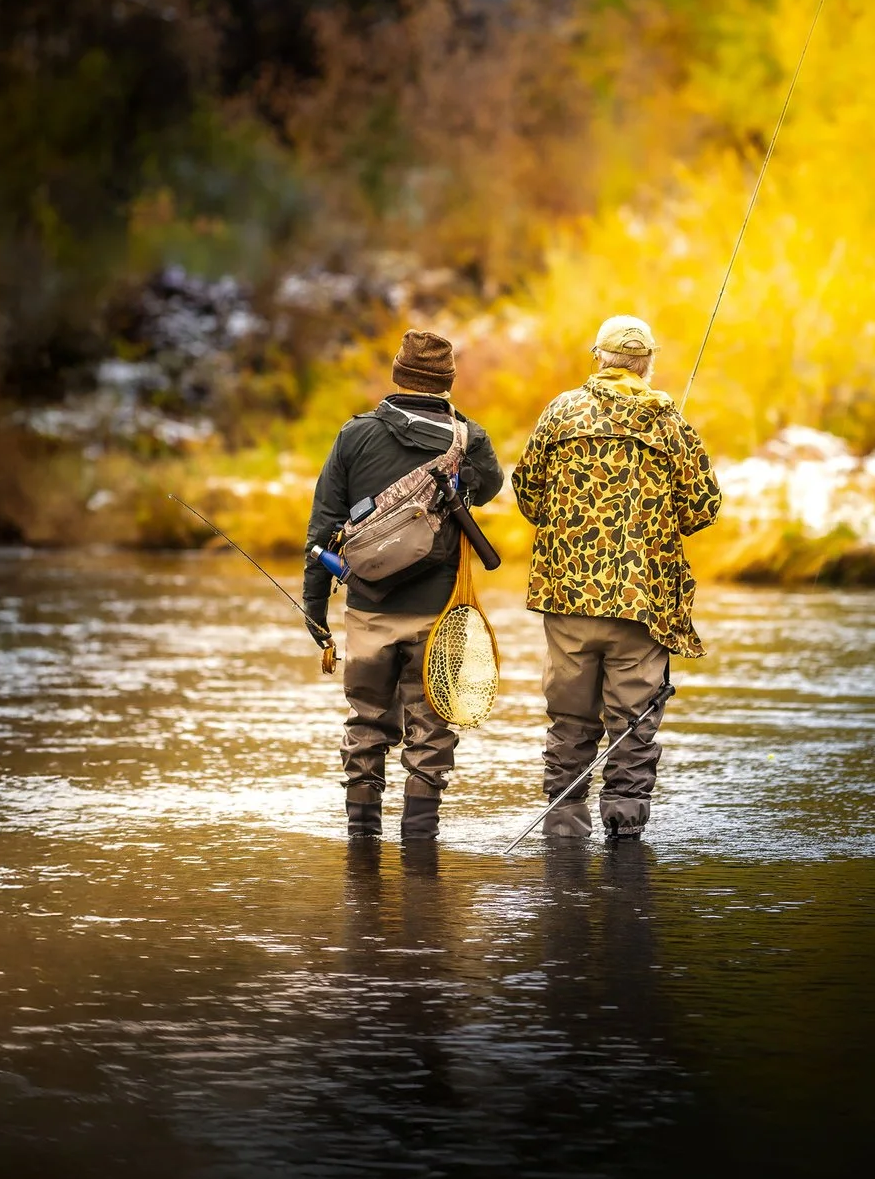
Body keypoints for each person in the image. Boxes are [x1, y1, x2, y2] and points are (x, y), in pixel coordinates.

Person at [511, 315, 722, 842]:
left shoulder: (560, 411)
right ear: (646, 363)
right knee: (633, 721)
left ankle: (563, 826)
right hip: (642, 600)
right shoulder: (665, 414)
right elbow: (703, 506)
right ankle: (625, 835)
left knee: (570, 716)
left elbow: (527, 494)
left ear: (598, 357)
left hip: (566, 596)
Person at [302, 329, 504, 841]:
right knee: (431, 730)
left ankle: (362, 843)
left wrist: (314, 607)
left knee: (367, 723)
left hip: (367, 610)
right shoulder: (469, 439)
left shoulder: (355, 435)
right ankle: (420, 842)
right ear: (448, 381)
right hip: (441, 612)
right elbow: (491, 487)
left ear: (397, 375)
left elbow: (323, 525)